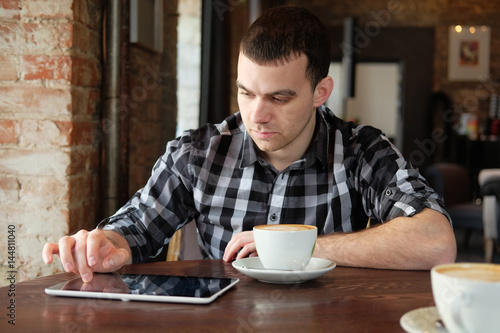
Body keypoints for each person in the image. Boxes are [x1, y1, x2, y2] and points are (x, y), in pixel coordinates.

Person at [43, 5, 456, 283]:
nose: (255, 115)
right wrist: (106, 245)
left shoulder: (361, 150)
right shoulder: (198, 153)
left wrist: (298, 244)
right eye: (246, 92)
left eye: (279, 97)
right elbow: (133, 229)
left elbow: (436, 243)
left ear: (320, 91)